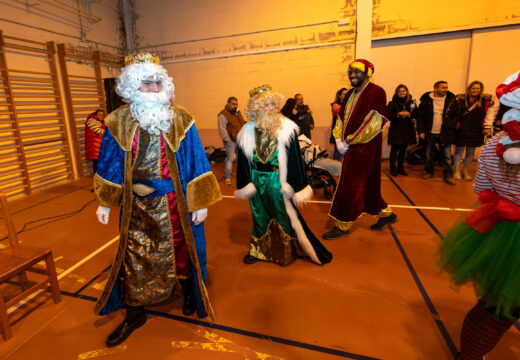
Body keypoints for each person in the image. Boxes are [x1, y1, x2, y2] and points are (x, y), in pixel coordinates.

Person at [93, 53, 221, 347]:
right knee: (134, 256)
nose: (152, 87)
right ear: (131, 87)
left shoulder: (181, 119)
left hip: (174, 203)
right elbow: (109, 163)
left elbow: (195, 160)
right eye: (145, 82)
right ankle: (135, 311)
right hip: (135, 207)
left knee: (183, 249)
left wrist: (199, 201)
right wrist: (104, 202)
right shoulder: (117, 122)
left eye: (156, 82)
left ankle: (187, 291)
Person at [439, 71, 520, 360]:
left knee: (495, 307)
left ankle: (470, 356)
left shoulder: (492, 146)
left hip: (503, 235)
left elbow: (481, 187)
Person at [234, 84, 332, 266]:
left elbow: (295, 160)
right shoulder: (246, 131)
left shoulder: (287, 128)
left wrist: (295, 186)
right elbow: (243, 161)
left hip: (277, 181)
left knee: (282, 216)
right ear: (257, 108)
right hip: (256, 181)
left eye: (273, 104)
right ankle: (258, 250)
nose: (272, 108)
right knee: (259, 216)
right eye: (266, 105)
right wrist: (245, 182)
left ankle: (285, 252)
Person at [323, 59, 398, 240]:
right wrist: (338, 138)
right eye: (350, 72)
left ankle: (342, 224)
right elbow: (340, 118)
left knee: (350, 185)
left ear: (367, 73)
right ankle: (386, 214)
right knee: (368, 184)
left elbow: (375, 121)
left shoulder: (376, 92)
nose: (352, 75)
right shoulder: (349, 94)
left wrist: (350, 141)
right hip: (350, 147)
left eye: (356, 71)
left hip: (365, 147)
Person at [453, 81, 498, 180]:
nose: (475, 90)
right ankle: (456, 170)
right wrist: (457, 125)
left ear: (480, 90)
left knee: (470, 151)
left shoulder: (485, 101)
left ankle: (465, 170)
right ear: (469, 88)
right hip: (462, 129)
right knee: (459, 151)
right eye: (473, 88)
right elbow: (456, 114)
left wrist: (485, 127)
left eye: (477, 88)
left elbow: (488, 114)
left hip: (476, 129)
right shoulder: (461, 99)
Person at [417, 81, 459, 185]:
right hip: (429, 132)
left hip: (445, 132)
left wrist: (451, 125)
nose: (445, 89)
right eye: (443, 87)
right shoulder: (426, 100)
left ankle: (448, 175)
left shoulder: (452, 100)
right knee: (428, 154)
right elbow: (420, 117)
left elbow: (456, 115)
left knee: (447, 155)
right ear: (435, 88)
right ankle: (429, 172)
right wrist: (421, 130)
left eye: (446, 87)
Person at [387, 84, 417, 176]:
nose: (402, 92)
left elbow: (416, 114)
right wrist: (398, 114)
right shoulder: (392, 103)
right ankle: (393, 169)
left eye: (403, 91)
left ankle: (401, 168)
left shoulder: (412, 102)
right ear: (397, 93)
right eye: (399, 91)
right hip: (395, 129)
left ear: (407, 92)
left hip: (407, 129)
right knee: (394, 150)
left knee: (403, 151)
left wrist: (410, 115)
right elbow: (388, 116)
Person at [218, 96, 246, 185]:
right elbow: (222, 128)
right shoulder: (223, 114)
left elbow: (242, 123)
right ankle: (228, 178)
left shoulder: (237, 112)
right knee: (230, 159)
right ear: (228, 104)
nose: (235, 106)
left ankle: (241, 175)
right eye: (233, 104)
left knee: (240, 158)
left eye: (236, 104)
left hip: (240, 140)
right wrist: (228, 140)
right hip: (231, 141)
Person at [330, 88, 348, 161]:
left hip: (347, 132)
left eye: (347, 94)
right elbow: (338, 110)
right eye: (344, 94)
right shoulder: (335, 105)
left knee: (347, 152)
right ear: (340, 95)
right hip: (338, 133)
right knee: (337, 152)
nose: (346, 96)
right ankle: (336, 170)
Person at [85, 109, 105, 174]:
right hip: (95, 145)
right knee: (97, 160)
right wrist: (107, 131)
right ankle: (97, 175)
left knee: (99, 159)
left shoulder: (99, 122)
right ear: (96, 115)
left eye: (102, 115)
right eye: (100, 114)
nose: (101, 116)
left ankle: (99, 174)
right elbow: (98, 131)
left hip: (98, 144)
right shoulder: (91, 121)